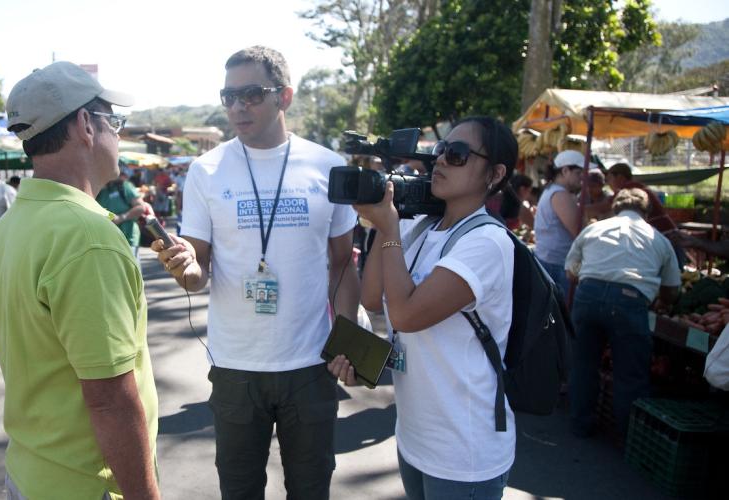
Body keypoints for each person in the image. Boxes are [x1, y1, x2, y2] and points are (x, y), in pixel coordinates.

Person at [154, 46, 359, 500]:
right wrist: (183, 268)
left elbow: (343, 262)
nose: (236, 107)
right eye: (228, 96)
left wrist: (347, 345)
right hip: (235, 370)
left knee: (311, 490)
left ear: (284, 96)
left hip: (310, 364)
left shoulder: (328, 167)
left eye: (251, 94)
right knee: (239, 490)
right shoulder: (205, 170)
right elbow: (198, 272)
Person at [0, 61, 159, 500]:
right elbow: (111, 401)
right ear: (86, 124)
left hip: (32, 469)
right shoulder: (87, 238)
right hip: (86, 484)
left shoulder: (13, 224)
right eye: (114, 123)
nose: (118, 136)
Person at [328, 116, 517, 500]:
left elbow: (406, 316)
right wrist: (386, 220)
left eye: (459, 154)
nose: (443, 160)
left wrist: (392, 229)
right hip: (415, 436)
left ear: (494, 174)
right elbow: (372, 296)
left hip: (463, 449)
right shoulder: (423, 229)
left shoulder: (488, 243)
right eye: (441, 150)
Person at [565, 188, 680, 438]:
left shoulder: (594, 229)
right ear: (646, 212)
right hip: (630, 300)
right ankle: (628, 434)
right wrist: (662, 302)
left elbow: (571, 270)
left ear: (615, 208)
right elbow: (672, 287)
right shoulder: (658, 238)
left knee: (583, 363)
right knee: (630, 372)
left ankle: (580, 423)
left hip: (588, 294)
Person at [534, 150, 584, 295]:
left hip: (552, 261)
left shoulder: (553, 190)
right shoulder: (560, 194)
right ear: (565, 171)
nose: (582, 178)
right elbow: (579, 232)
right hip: (558, 264)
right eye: (578, 173)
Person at [95, 172, 145, 258]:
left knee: (131, 270)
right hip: (108, 242)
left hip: (129, 239)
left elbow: (141, 208)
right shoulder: (98, 192)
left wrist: (121, 218)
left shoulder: (124, 186)